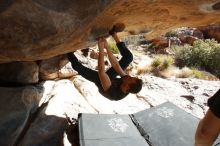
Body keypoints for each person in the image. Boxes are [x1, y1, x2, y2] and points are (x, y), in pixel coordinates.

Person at [67, 24, 143, 100]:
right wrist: (106, 46)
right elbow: (116, 65)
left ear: (127, 87)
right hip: (110, 77)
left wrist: (101, 49)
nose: (129, 76)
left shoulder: (114, 94)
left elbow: (101, 71)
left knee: (79, 67)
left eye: (130, 79)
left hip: (101, 82)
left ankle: (68, 53)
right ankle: (114, 34)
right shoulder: (127, 80)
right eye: (131, 77)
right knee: (128, 57)